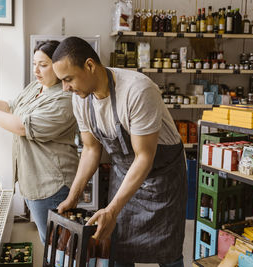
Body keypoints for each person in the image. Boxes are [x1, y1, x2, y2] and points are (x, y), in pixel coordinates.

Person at [53, 37, 187, 267]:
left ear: (90, 65)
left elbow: (144, 156)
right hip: (125, 174)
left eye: (68, 79)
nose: (66, 88)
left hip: (161, 177)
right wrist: (73, 198)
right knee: (118, 248)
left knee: (168, 251)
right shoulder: (81, 99)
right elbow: (90, 149)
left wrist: (112, 209)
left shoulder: (137, 90)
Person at [0, 40, 79, 243]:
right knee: (48, 241)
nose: (36, 71)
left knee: (58, 247)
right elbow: (11, 106)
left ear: (58, 65)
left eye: (43, 65)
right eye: (34, 64)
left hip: (52, 184)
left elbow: (22, 127)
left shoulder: (64, 99)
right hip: (33, 179)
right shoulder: (37, 87)